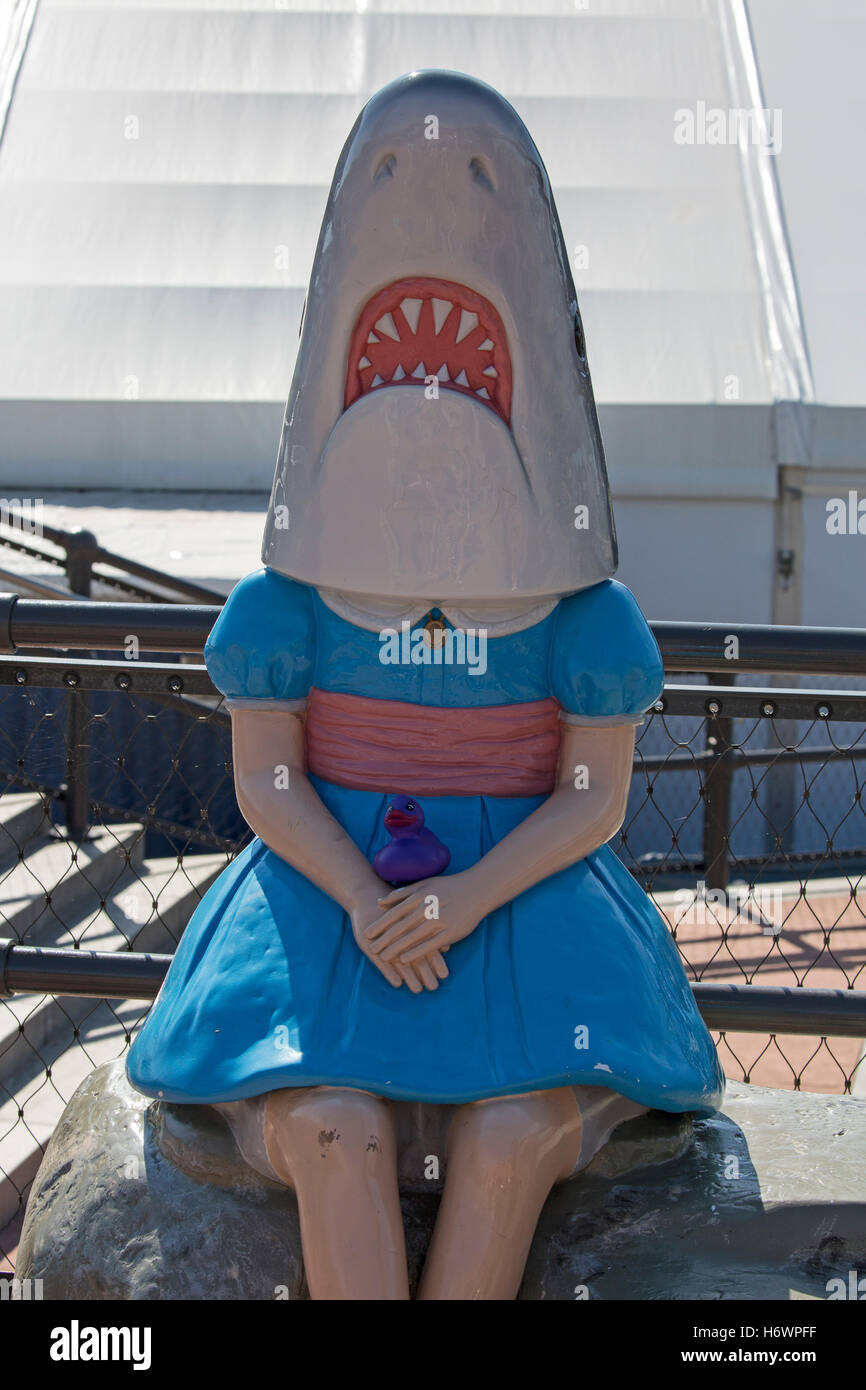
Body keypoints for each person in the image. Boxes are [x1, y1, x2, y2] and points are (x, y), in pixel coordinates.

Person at [127, 70, 724, 1301]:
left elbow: (589, 800)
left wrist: (460, 901)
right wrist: (359, 897)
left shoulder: (584, 626)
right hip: (316, 915)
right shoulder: (280, 616)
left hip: (531, 911)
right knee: (333, 1126)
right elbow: (268, 779)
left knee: (509, 1137)